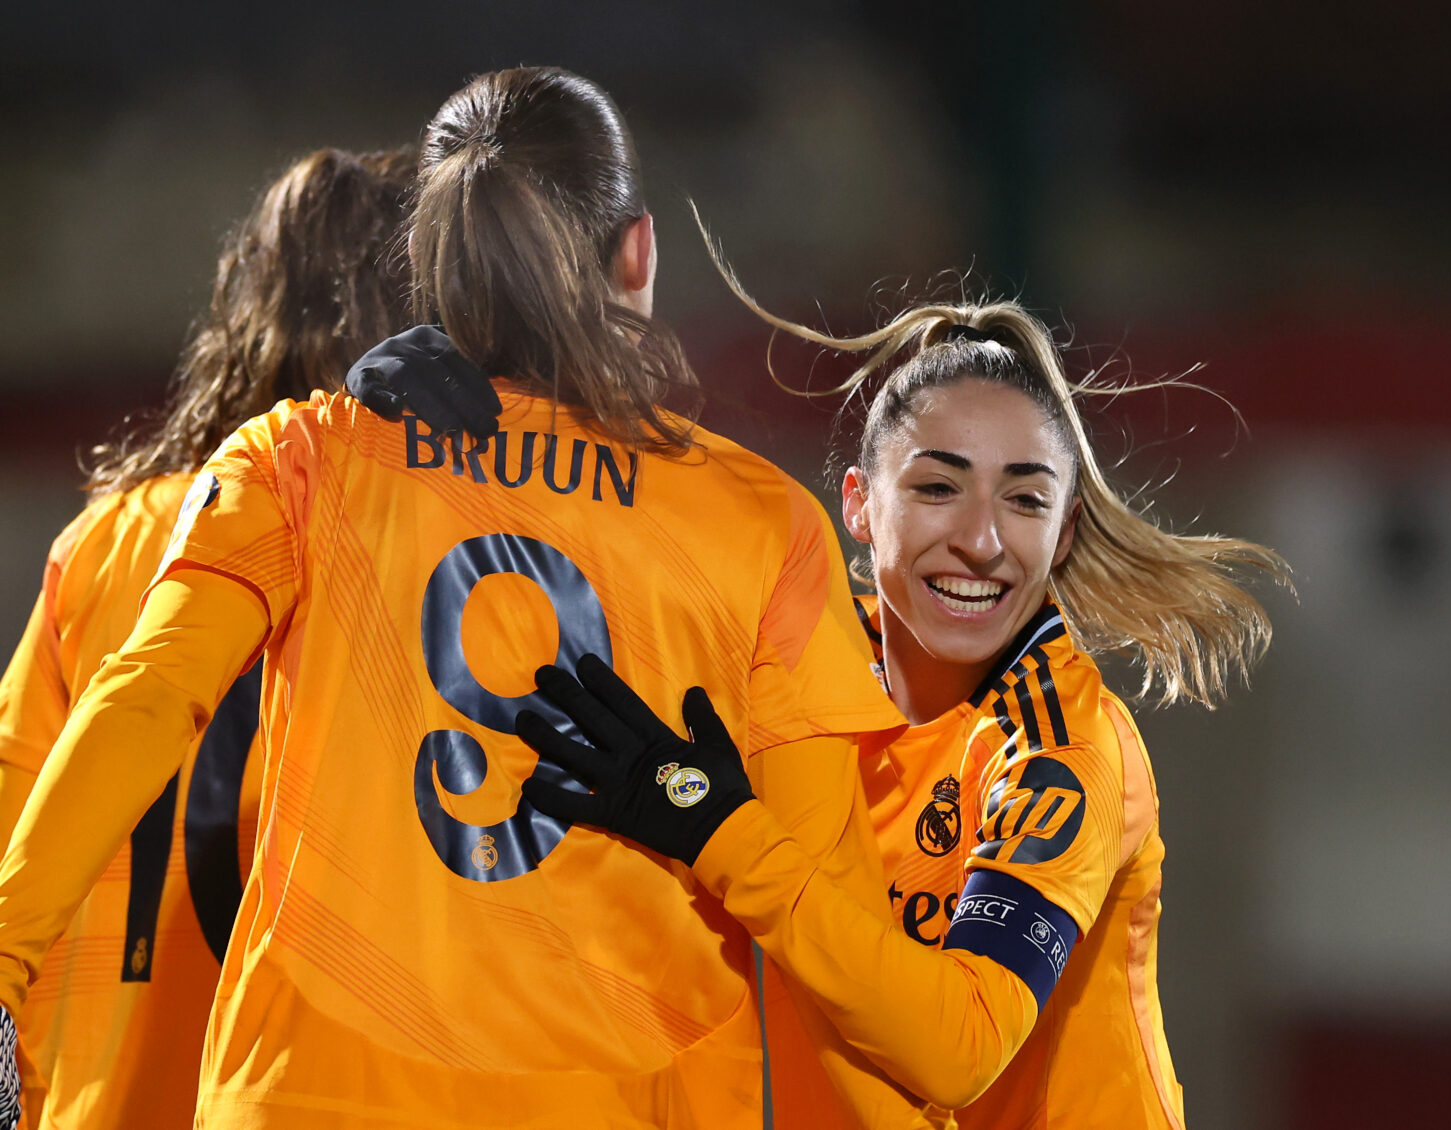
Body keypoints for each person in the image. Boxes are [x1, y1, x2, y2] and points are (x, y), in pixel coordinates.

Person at [0, 66, 903, 1130]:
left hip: (306, 1092)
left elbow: (147, 696)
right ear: (640, 251)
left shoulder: (297, 461)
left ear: (428, 272)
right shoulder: (758, 525)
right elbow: (832, 940)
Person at [363, 293, 1290, 1127]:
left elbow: (958, 1048)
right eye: (937, 487)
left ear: (1066, 531)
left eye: (1024, 500)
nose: (980, 540)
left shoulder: (1064, 750)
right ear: (858, 503)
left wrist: (721, 832)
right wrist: (433, 456)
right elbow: (557, 618)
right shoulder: (790, 662)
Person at [0, 146, 417, 1130]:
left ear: (247, 310)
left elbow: (2, 874)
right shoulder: (430, 547)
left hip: (106, 1101)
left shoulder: (105, 544)